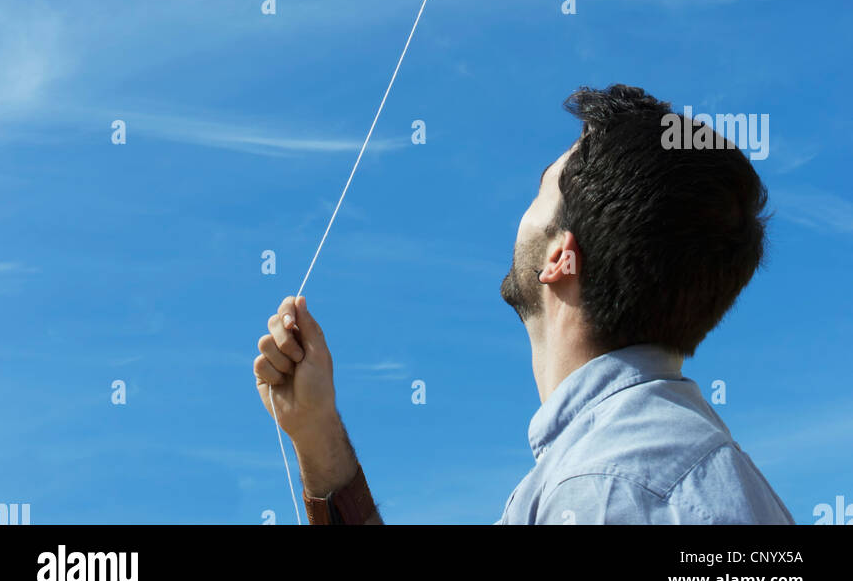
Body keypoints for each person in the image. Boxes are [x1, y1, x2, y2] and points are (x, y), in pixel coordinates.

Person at [253, 84, 795, 525]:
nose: (522, 209)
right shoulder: (651, 465)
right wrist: (315, 432)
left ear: (560, 257)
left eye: (541, 189)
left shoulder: (605, 490)